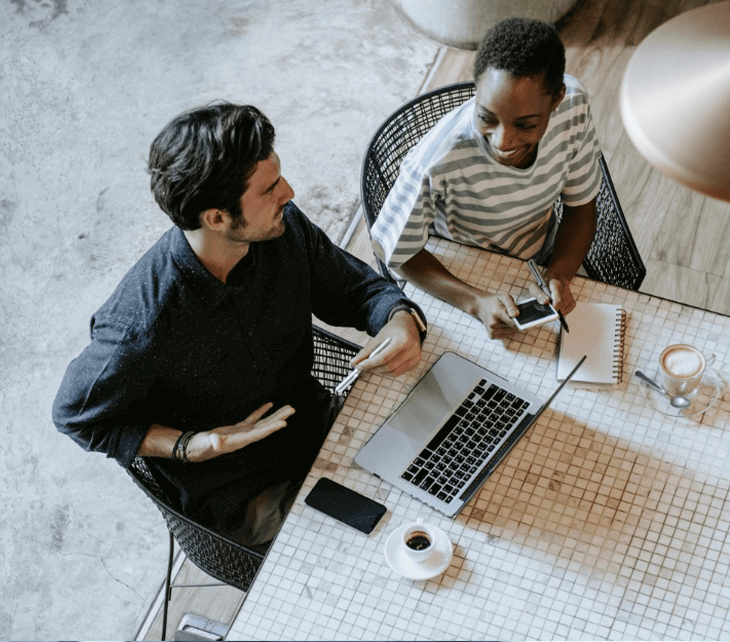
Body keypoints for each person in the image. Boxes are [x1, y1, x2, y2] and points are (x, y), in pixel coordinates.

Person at [52, 102, 426, 549]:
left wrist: (399, 318)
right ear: (216, 217)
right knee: (360, 562)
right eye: (269, 189)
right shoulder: (142, 323)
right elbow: (75, 416)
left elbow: (357, 291)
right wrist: (192, 445)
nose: (289, 192)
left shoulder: (280, 228)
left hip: (316, 426)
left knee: (432, 490)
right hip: (239, 490)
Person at [371, 17, 603, 340]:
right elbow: (391, 249)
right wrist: (475, 301)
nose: (503, 142)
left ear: (557, 99)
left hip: (541, 264)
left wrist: (561, 273)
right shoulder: (434, 162)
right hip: (462, 276)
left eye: (526, 125)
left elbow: (581, 207)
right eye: (486, 118)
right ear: (476, 89)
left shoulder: (574, 107)